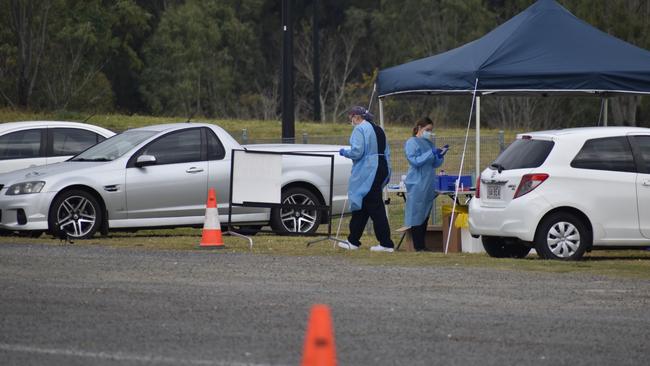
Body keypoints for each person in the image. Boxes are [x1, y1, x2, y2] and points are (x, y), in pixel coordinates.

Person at [338, 106, 395, 252]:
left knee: (375, 206)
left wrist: (345, 152)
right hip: (382, 167)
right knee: (362, 205)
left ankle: (386, 244)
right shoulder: (379, 129)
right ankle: (353, 240)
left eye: (351, 117)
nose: (351, 121)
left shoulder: (360, 128)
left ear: (356, 117)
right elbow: (386, 151)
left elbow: (357, 152)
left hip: (370, 170)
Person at [404, 117, 447, 251]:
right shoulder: (411, 142)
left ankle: (422, 245)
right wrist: (430, 153)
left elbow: (434, 163)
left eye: (431, 130)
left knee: (425, 215)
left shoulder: (429, 143)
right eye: (427, 129)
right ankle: (418, 246)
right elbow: (415, 161)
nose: (429, 132)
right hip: (417, 183)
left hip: (428, 183)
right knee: (417, 214)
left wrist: (440, 156)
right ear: (419, 128)